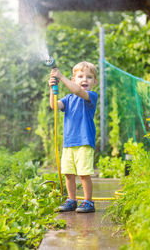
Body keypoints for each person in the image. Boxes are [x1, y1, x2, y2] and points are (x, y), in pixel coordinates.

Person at [48, 61, 98, 213]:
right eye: (80, 76)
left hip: (84, 142)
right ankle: (72, 200)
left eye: (89, 77)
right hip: (69, 143)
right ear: (74, 79)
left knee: (83, 174)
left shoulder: (90, 96)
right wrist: (52, 89)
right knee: (68, 174)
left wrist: (61, 77)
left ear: (94, 82)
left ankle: (88, 202)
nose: (84, 80)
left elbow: (78, 91)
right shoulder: (68, 99)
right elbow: (54, 106)